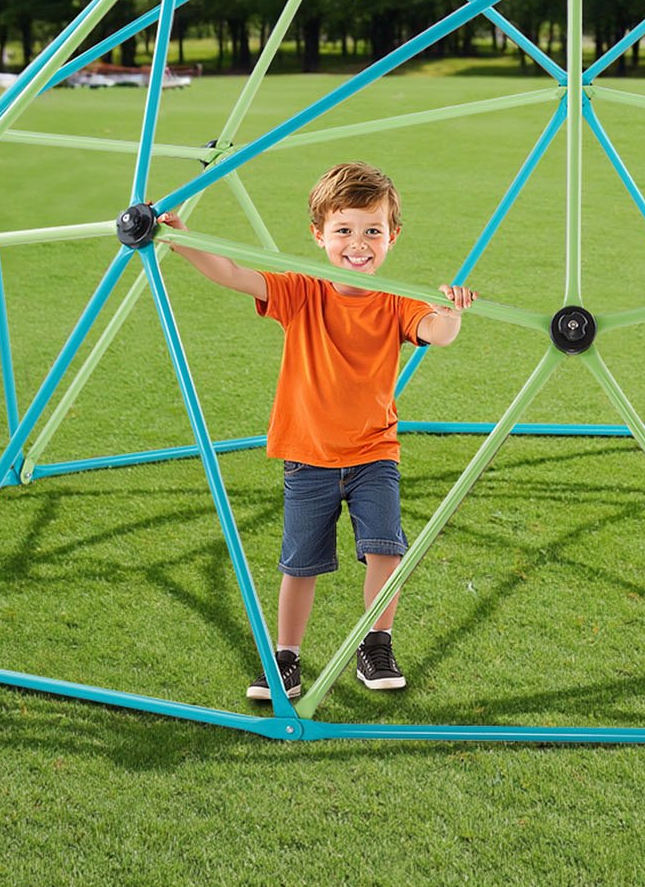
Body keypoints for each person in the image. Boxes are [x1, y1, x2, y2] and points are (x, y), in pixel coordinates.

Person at [159, 161, 475, 703]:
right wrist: (178, 238)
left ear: (392, 237)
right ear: (319, 235)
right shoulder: (303, 292)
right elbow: (234, 274)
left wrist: (451, 309)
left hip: (375, 452)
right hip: (307, 454)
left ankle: (375, 643)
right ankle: (286, 658)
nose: (359, 244)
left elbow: (438, 333)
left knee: (385, 550)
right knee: (299, 563)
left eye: (373, 231)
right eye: (345, 230)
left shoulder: (399, 300)